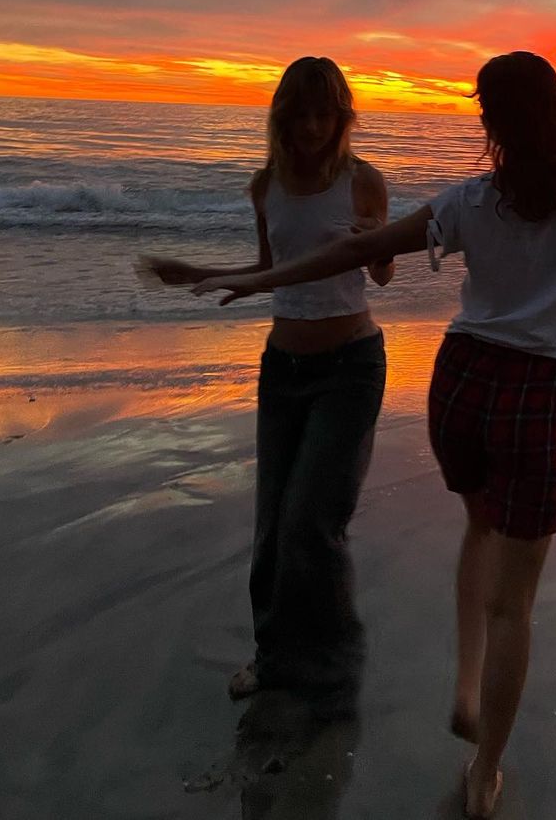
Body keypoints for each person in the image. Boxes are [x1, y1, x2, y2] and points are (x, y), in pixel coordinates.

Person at [192, 51, 556, 818]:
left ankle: (465, 686)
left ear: (493, 123)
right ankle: (485, 771)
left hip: (462, 385)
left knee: (478, 526)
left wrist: (254, 280)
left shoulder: (469, 202)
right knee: (514, 601)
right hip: (543, 396)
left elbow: (359, 251)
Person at [139, 55, 393, 714]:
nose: (311, 127)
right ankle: (276, 657)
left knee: (313, 521)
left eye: (324, 114)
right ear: (281, 116)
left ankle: (334, 664)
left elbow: (382, 273)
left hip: (351, 368)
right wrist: (200, 271)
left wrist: (379, 242)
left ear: (341, 117)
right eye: (300, 114)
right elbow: (269, 268)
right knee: (273, 525)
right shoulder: (266, 186)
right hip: (282, 370)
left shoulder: (363, 182)